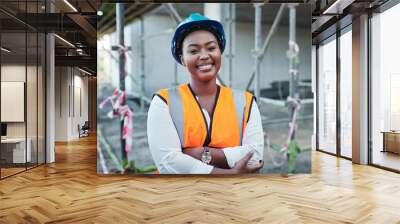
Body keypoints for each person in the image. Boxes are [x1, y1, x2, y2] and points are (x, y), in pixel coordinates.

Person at [147, 13, 264, 174]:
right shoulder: (164, 102)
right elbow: (168, 162)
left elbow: (255, 156)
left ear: (219, 52)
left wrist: (201, 154)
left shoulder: (245, 101)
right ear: (182, 59)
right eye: (194, 51)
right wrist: (228, 173)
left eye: (211, 48)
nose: (204, 56)